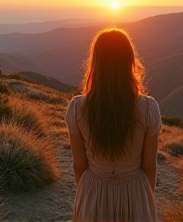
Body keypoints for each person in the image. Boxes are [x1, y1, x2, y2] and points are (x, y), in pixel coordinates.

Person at [65, 28, 162, 222]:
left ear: (96, 64)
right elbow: (150, 166)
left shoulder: (77, 108)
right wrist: (145, 200)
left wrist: (86, 196)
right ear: (129, 62)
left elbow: (79, 165)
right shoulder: (149, 108)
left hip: (93, 191)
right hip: (135, 191)